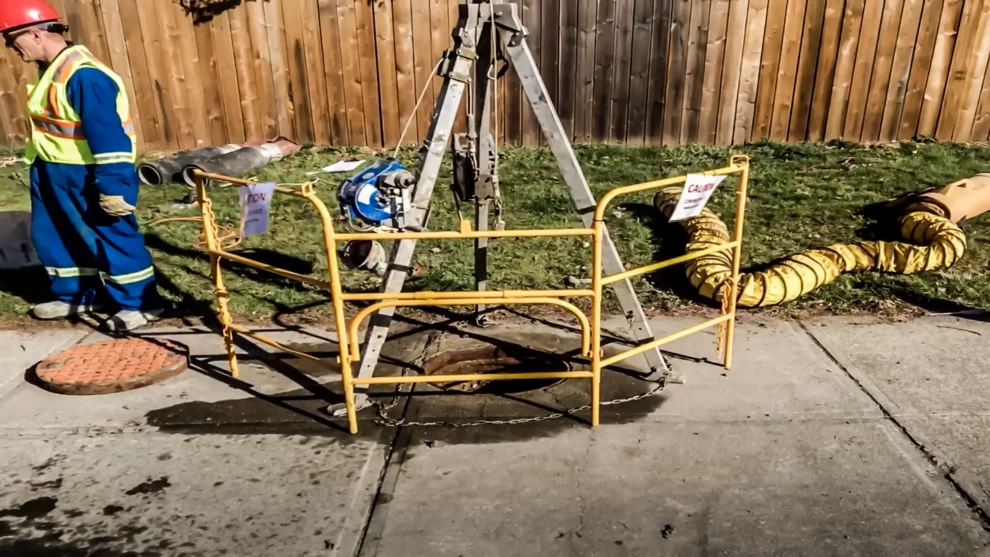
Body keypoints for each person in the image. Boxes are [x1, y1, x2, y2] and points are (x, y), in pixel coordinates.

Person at [1, 0, 163, 331]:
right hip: (52, 170)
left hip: (88, 173)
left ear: (34, 34)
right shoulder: (54, 70)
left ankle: (141, 304)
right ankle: (77, 294)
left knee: (113, 236)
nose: (9, 47)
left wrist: (113, 185)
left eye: (10, 38)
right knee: (56, 235)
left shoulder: (84, 76)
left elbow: (109, 137)